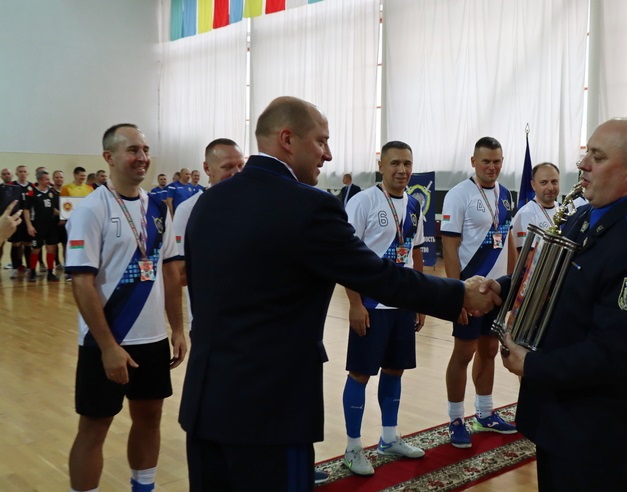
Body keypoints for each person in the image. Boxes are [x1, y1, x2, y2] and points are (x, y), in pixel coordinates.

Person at [179, 96, 501, 491]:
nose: (328, 155)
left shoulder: (209, 202)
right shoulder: (308, 205)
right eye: (321, 141)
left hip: (206, 402)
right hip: (273, 409)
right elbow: (377, 275)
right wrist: (458, 295)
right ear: (287, 139)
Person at [500, 118, 627, 490]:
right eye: (586, 154)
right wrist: (499, 289)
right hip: (558, 415)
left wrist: (532, 365)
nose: (582, 164)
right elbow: (549, 278)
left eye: (597, 156)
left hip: (593, 427)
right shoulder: (584, 215)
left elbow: (612, 353)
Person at [65, 123, 187, 492]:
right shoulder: (91, 210)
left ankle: (143, 487)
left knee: (150, 419)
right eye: (133, 150)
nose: (142, 157)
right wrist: (107, 347)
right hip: (106, 342)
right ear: (109, 157)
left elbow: (170, 272)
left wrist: (177, 328)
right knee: (94, 428)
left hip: (152, 341)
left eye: (145, 150)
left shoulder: (157, 208)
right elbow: (81, 283)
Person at [341, 141, 427, 476]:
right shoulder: (363, 202)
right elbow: (346, 258)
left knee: (395, 370)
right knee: (360, 374)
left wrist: (419, 299)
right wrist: (355, 303)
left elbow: (416, 253)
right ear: (381, 165)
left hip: (402, 303)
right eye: (395, 163)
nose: (402, 170)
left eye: (407, 163)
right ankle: (352, 447)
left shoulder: (415, 205)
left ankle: (389, 438)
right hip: (371, 305)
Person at [441, 136, 516, 449]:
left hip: (497, 291)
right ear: (473, 162)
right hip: (470, 293)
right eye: (486, 161)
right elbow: (449, 246)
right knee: (464, 353)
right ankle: (456, 419)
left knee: (489, 351)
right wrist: (456, 294)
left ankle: (485, 413)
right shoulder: (458, 195)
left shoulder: (506, 195)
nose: (492, 167)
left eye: (497, 161)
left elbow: (508, 241)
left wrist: (512, 286)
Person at [171, 138, 245, 326]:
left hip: (249, 320)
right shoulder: (188, 210)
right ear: (207, 168)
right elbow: (180, 274)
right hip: (209, 320)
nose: (236, 173)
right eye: (227, 167)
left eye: (240, 166)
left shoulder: (254, 206)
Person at [510, 162, 561, 250]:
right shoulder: (525, 214)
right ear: (533, 185)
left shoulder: (564, 210)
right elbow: (524, 256)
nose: (550, 187)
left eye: (554, 182)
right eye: (544, 182)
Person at [23, 170, 60, 282]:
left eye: (49, 179)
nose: (49, 181)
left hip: (51, 225)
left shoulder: (52, 192)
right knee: (36, 249)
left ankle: (50, 272)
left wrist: (64, 215)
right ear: (39, 180)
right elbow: (26, 210)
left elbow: (54, 209)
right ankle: (32, 271)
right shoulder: (32, 193)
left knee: (51, 248)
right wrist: (29, 226)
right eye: (46, 179)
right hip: (37, 225)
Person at [9, 165, 35, 279]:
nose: (22, 173)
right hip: (15, 218)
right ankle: (15, 268)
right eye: (20, 171)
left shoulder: (32, 187)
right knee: (16, 244)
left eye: (24, 171)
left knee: (28, 244)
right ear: (16, 174)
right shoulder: (12, 186)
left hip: (28, 220)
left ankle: (30, 268)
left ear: (27, 173)